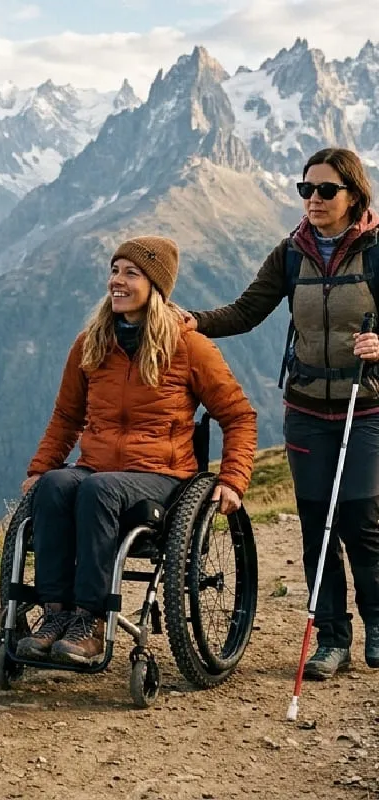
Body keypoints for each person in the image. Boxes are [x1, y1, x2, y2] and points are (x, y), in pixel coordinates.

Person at [15, 235, 257, 665]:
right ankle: (55, 615)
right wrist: (41, 468)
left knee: (99, 491)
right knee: (53, 487)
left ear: (156, 287)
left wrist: (233, 479)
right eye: (114, 271)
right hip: (97, 468)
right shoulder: (91, 343)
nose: (117, 282)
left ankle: (89, 621)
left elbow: (238, 415)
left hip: (162, 476)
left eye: (131, 273)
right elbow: (66, 418)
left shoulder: (189, 347)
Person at [185, 147, 379, 680]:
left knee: (361, 520)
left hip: (366, 409)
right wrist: (189, 322)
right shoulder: (291, 253)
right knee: (317, 523)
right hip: (306, 408)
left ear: (353, 195)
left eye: (325, 191)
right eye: (306, 190)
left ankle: (378, 624)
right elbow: (247, 312)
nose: (313, 200)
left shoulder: (377, 252)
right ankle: (332, 639)